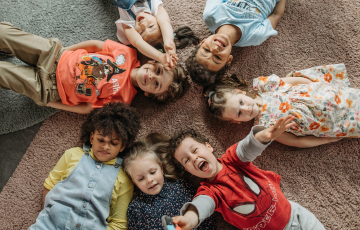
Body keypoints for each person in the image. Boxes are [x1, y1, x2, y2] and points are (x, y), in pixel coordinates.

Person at [169, 116, 326, 230]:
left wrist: (262, 137)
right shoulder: (210, 192)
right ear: (188, 170)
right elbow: (201, 205)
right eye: (186, 161)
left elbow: (245, 148)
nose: (194, 158)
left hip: (295, 215)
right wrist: (189, 220)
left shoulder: (232, 159)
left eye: (195, 150)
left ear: (208, 146)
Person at [0, 22, 189, 114]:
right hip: (54, 56)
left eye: (156, 85)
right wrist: (65, 51)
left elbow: (87, 108)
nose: (151, 77)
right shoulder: (128, 55)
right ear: (151, 62)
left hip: (49, 89)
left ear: (149, 94)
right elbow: (96, 46)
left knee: (4, 74)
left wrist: (49, 102)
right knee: (5, 33)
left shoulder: (123, 100)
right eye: (157, 71)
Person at [28, 102, 141, 230]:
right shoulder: (72, 155)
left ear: (123, 146)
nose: (105, 147)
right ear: (92, 137)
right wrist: (48, 214)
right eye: (101, 140)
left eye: (113, 143)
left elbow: (119, 223)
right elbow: (49, 185)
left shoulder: (124, 179)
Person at [206, 63, 356, 148]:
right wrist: (325, 140)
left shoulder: (266, 88)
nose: (246, 109)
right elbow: (296, 141)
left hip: (326, 95)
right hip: (327, 123)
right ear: (236, 122)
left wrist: (317, 87)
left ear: (241, 92)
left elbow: (295, 81)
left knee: (353, 98)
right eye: (239, 113)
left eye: (241, 102)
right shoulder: (265, 127)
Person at [122, 133, 216, 229]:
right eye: (141, 179)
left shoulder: (181, 187)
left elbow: (204, 215)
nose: (149, 180)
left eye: (153, 172)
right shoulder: (135, 209)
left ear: (161, 169)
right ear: (134, 182)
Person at [185, 0, 286, 86]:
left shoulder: (211, 15)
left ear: (202, 42)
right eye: (217, 58)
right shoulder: (255, 36)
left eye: (206, 50)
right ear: (229, 60)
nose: (215, 49)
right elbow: (276, 15)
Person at [113, 0, 199, 69]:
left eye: (141, 32)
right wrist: (169, 41)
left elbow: (138, 43)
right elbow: (164, 21)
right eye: (151, 26)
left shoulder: (129, 21)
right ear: (157, 20)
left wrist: (160, 57)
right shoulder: (153, 6)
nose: (143, 24)